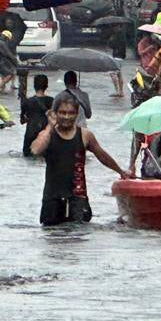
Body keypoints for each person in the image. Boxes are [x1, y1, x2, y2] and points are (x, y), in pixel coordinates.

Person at [30, 92, 129, 225]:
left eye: (71, 113)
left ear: (77, 115)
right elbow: (35, 150)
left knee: (79, 238)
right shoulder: (47, 135)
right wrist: (50, 127)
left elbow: (102, 155)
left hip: (78, 199)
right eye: (62, 112)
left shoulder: (85, 135)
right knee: (53, 239)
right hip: (52, 199)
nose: (67, 117)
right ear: (55, 113)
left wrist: (121, 172)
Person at [20, 73, 54, 157]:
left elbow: (22, 121)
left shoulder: (27, 102)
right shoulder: (52, 101)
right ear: (46, 86)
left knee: (28, 158)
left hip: (30, 133)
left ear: (34, 86)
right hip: (45, 135)